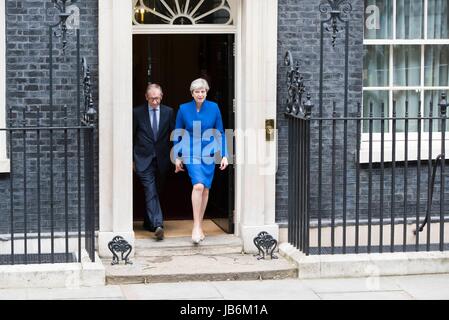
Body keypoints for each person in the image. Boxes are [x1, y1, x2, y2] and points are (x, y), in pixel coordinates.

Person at [174, 78, 228, 244]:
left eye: (203, 91)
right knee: (198, 186)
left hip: (208, 153)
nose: (200, 94)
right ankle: (196, 226)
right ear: (192, 93)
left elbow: (220, 132)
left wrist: (224, 154)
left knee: (205, 189)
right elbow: (178, 132)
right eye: (197, 91)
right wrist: (177, 155)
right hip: (191, 152)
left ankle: (200, 225)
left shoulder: (214, 107)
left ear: (206, 92)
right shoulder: (183, 109)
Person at [133, 83, 175, 240]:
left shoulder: (168, 112)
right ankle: (158, 224)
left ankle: (148, 222)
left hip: (162, 159)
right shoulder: (137, 113)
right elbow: (131, 135)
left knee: (156, 191)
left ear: (161, 97)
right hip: (143, 158)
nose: (155, 102)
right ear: (146, 97)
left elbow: (173, 136)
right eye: (152, 99)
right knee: (150, 189)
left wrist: (175, 156)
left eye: (157, 99)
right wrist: (131, 160)